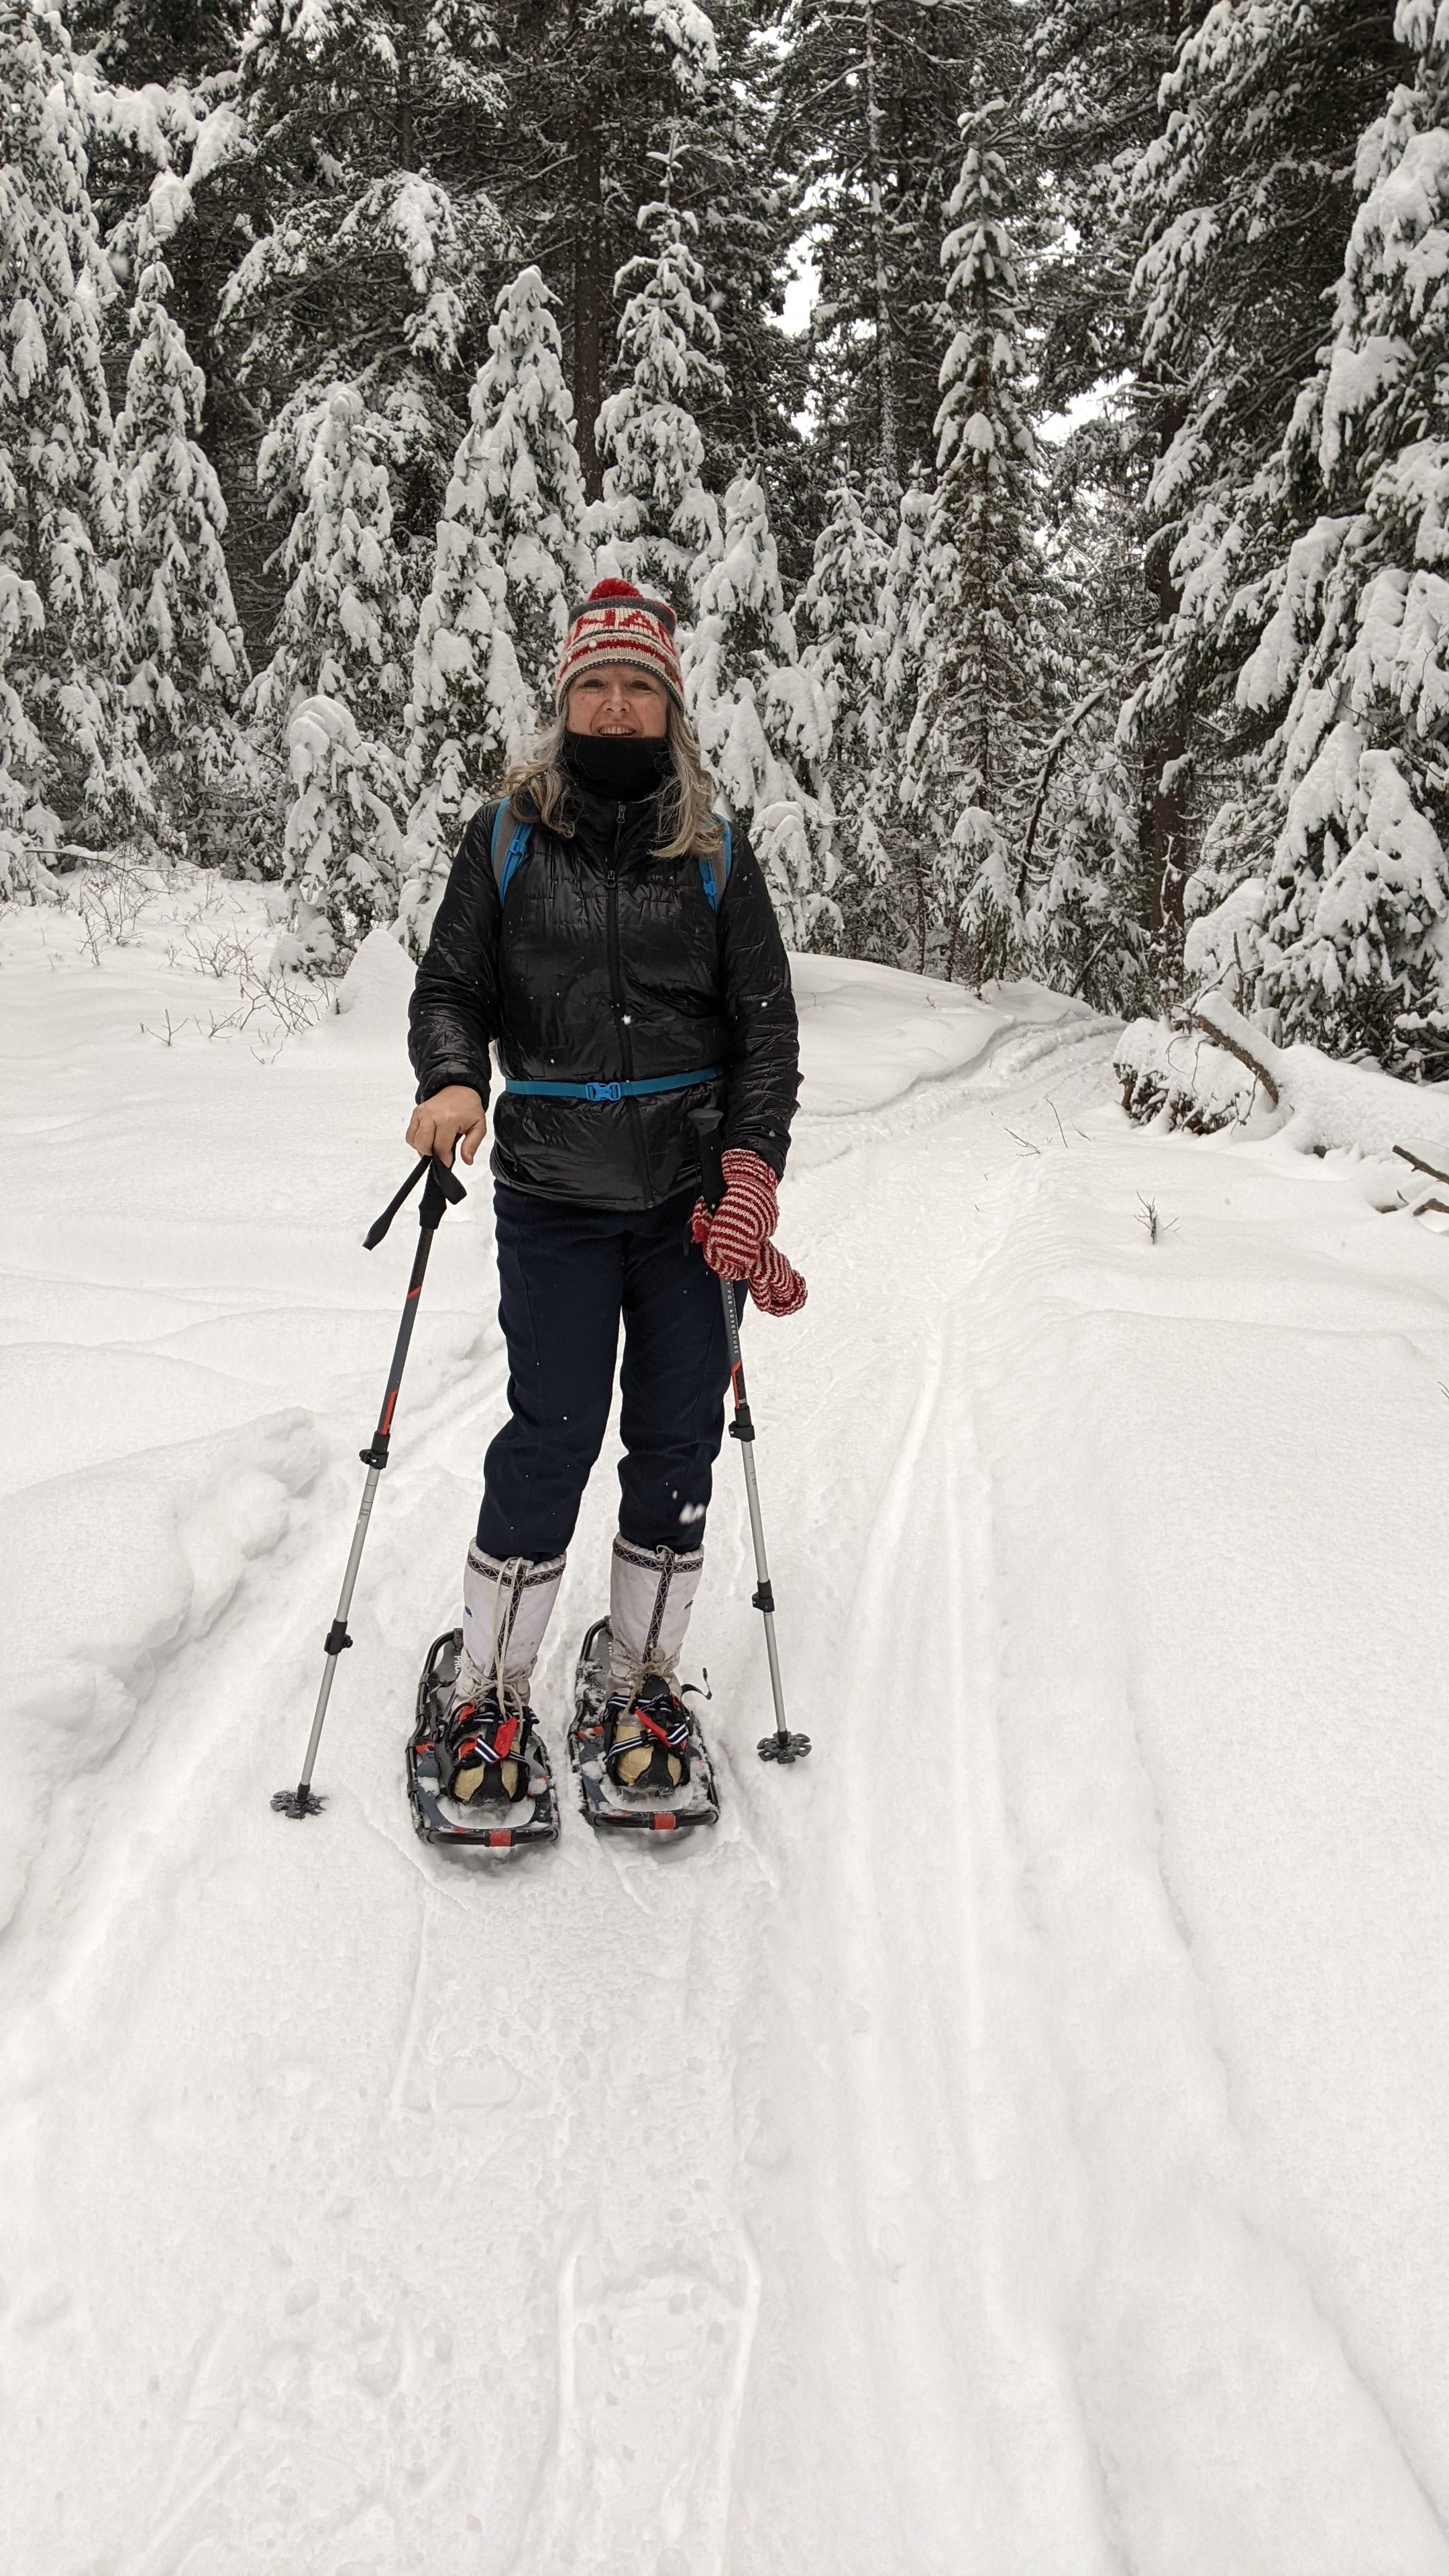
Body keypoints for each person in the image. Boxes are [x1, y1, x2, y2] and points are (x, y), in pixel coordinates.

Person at [407, 578, 806, 1806]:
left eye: (640, 687)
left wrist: (751, 1170)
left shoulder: (718, 853)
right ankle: (488, 1684)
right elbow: (451, 989)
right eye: (597, 685)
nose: (618, 705)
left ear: (670, 709)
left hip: (691, 1204)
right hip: (553, 1197)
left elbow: (767, 1037)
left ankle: (637, 1674)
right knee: (556, 1430)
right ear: (567, 699)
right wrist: (451, 1078)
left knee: (677, 1439)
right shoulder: (507, 837)